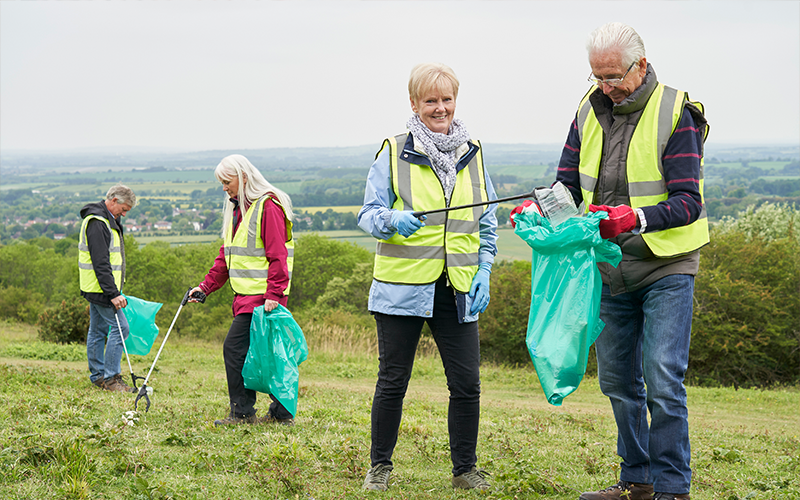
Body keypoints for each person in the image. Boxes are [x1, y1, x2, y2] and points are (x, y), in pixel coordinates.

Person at [550, 22, 708, 500]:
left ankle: (673, 488)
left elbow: (688, 202)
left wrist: (635, 217)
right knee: (618, 381)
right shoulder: (587, 107)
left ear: (641, 65)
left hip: (667, 265)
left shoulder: (676, 112)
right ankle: (636, 481)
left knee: (661, 376)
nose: (606, 87)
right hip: (610, 267)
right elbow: (567, 184)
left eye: (614, 76)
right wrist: (541, 207)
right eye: (598, 77)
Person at [357, 62, 498, 492]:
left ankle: (464, 471)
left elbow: (486, 221)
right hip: (401, 289)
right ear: (415, 104)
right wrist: (391, 220)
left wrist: (485, 271)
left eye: (447, 99)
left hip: (457, 290)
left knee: (467, 384)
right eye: (431, 100)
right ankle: (379, 468)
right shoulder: (394, 151)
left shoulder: (472, 151)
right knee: (393, 381)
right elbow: (367, 214)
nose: (441, 108)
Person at [188, 154, 296, 427]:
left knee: (235, 350)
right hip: (247, 298)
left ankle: (243, 413)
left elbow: (277, 256)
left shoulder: (268, 207)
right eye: (221, 183)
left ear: (244, 177)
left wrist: (274, 295)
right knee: (265, 354)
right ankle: (281, 414)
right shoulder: (238, 210)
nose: (224, 187)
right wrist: (204, 288)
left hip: (263, 299)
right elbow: (227, 257)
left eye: (227, 181)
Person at [79, 183, 138, 393]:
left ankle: (98, 376)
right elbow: (100, 262)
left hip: (96, 287)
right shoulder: (98, 223)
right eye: (123, 209)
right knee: (121, 328)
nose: (124, 214)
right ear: (113, 201)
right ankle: (111, 378)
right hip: (101, 289)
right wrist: (113, 293)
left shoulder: (107, 219)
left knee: (97, 330)